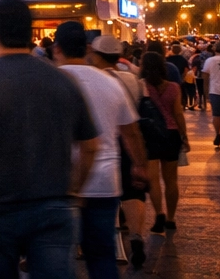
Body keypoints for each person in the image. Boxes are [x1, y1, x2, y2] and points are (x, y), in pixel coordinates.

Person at [0, 0, 99, 278]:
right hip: (53, 204)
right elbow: (90, 146)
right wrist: (74, 189)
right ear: (30, 30)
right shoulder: (63, 80)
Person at [50, 22, 146, 278]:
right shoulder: (110, 82)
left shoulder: (49, 83)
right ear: (88, 48)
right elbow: (131, 131)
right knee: (102, 255)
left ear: (56, 48)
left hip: (59, 183)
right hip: (104, 182)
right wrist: (138, 164)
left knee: (56, 256)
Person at [138, 51, 188, 232]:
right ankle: (172, 218)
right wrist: (184, 136)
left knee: (153, 179)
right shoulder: (174, 87)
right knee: (171, 180)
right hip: (171, 134)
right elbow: (178, 114)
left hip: (150, 135)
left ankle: (159, 213)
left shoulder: (141, 86)